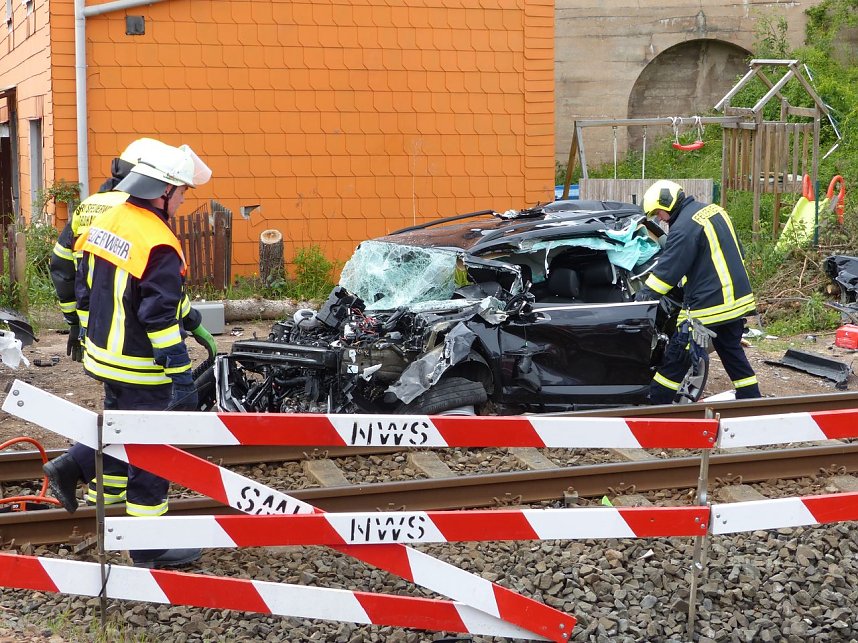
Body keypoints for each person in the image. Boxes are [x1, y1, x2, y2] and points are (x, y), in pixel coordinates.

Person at [43, 140, 217, 569]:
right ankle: (148, 548)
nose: (182, 200)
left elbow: (87, 285)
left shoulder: (109, 217)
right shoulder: (160, 242)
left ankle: (71, 466)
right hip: (140, 364)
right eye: (181, 192)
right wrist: (179, 372)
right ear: (162, 192)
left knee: (119, 426)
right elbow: (157, 316)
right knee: (152, 452)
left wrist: (86, 332)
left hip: (105, 355)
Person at [635, 180, 761, 403]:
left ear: (669, 204)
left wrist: (644, 296)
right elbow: (732, 251)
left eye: (658, 213)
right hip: (736, 300)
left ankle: (655, 405)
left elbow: (668, 271)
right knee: (731, 351)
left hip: (709, 305)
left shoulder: (683, 227)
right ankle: (751, 399)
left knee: (677, 355)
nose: (660, 219)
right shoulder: (714, 210)